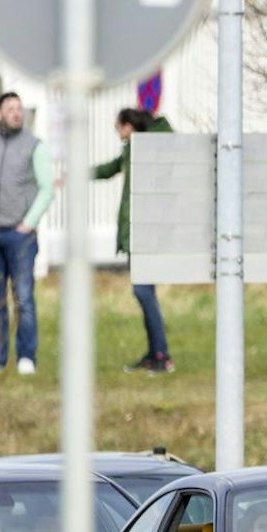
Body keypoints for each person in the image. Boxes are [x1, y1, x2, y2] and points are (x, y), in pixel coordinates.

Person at [0, 92, 54, 377]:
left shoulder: (34, 146)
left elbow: (47, 188)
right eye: (10, 109)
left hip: (20, 236)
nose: (17, 113)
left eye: (20, 109)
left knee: (24, 297)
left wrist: (28, 223)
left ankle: (26, 357)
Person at [95, 108, 176, 373]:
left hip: (149, 231)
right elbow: (109, 169)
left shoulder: (155, 144)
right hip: (136, 232)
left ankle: (162, 355)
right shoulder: (132, 150)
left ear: (130, 126)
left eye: (119, 128)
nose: (119, 134)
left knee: (143, 292)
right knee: (144, 293)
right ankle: (155, 353)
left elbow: (168, 137)